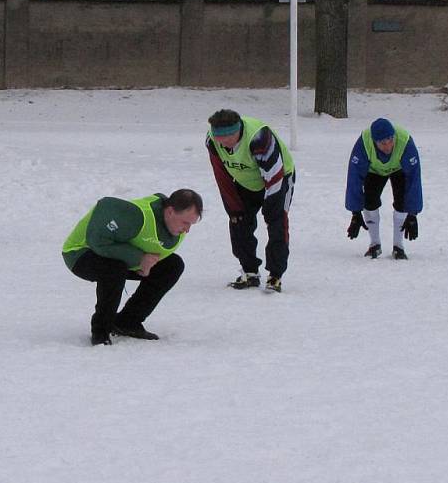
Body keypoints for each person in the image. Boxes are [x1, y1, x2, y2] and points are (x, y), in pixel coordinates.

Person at [62, 189, 203, 346]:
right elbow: (98, 232)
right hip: (80, 253)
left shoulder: (175, 227)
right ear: (170, 211)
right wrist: (138, 258)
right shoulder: (137, 215)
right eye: (185, 222)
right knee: (115, 269)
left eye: (192, 224)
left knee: (172, 266)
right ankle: (100, 331)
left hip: (115, 255)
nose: (188, 230)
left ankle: (127, 322)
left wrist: (145, 264)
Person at [206, 109, 295, 293]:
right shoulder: (212, 141)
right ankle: (250, 271)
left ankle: (275, 275)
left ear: (239, 130)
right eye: (219, 137)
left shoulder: (259, 138)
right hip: (245, 181)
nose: (224, 142)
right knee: (238, 221)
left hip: (278, 177)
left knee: (276, 220)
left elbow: (274, 176)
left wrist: (271, 206)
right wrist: (232, 207)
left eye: (229, 136)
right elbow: (220, 174)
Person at [345, 117, 422, 260]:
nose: (388, 146)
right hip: (374, 170)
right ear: (374, 142)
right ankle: (374, 244)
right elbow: (354, 178)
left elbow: (414, 179)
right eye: (382, 143)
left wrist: (413, 214)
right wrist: (355, 212)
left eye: (390, 141)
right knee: (370, 201)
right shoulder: (363, 143)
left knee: (402, 202)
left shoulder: (405, 142)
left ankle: (398, 247)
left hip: (399, 169)